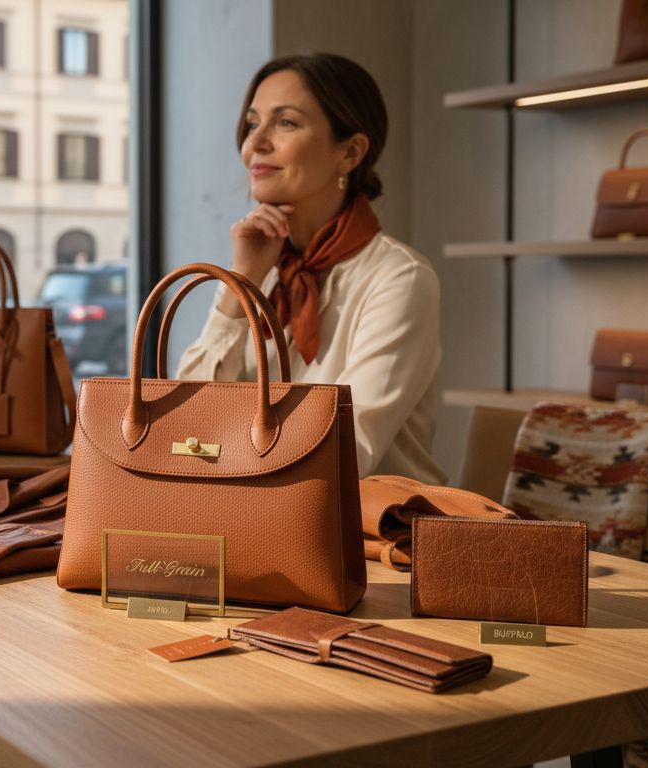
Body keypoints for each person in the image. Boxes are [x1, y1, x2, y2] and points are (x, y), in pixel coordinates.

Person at [177, 53, 446, 484]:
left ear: (350, 153)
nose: (256, 143)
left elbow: (344, 455)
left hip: (372, 538)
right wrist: (238, 281)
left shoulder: (399, 280)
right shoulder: (261, 267)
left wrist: (220, 453)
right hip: (253, 513)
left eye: (285, 123)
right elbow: (186, 421)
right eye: (252, 123)